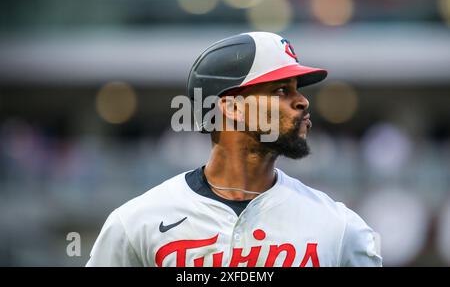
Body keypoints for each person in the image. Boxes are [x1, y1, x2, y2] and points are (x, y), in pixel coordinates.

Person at [86, 32, 382, 267]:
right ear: (232, 108)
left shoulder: (341, 228)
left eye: (297, 89)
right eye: (282, 91)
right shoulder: (137, 222)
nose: (302, 101)